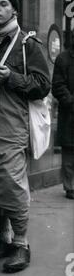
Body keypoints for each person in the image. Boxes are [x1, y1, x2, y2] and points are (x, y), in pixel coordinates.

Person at [0, 0, 50, 271]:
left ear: (14, 11)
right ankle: (4, 239)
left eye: (3, 4)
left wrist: (12, 78)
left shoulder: (28, 44)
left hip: (13, 126)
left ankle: (22, 244)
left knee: (13, 182)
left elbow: (43, 85)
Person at [52, 29, 74, 200]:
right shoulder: (63, 59)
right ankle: (70, 187)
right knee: (69, 152)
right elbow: (58, 86)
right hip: (70, 114)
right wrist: (70, 101)